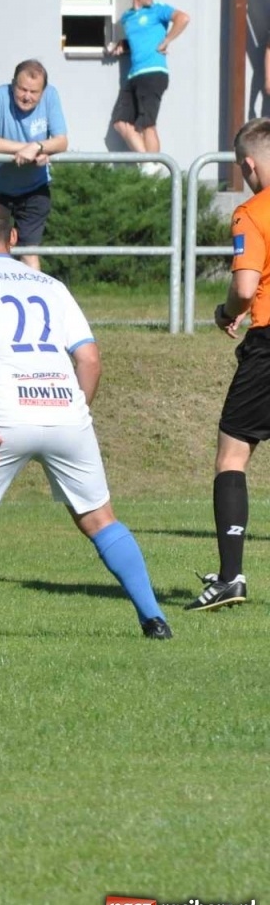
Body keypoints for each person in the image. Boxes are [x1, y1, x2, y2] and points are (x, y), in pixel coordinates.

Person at [0, 202, 169, 641]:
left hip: (4, 412)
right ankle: (154, 619)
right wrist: (76, 410)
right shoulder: (51, 285)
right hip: (65, 405)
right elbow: (90, 358)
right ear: (15, 239)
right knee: (100, 519)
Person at [185, 117, 270, 614]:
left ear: (248, 165)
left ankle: (231, 577)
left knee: (232, 455)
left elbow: (243, 288)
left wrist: (226, 314)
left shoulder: (251, 212)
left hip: (267, 344)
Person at [0, 60, 67, 272]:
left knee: (29, 252)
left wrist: (40, 147)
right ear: (13, 83)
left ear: (43, 91)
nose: (27, 96)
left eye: (34, 92)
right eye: (22, 89)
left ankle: (32, 300)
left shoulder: (51, 96)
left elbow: (61, 141)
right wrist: (30, 149)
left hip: (33, 187)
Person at [106, 0, 188, 165]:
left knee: (147, 125)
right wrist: (123, 44)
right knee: (121, 122)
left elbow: (183, 18)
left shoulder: (158, 9)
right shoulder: (127, 17)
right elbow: (138, 39)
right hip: (134, 74)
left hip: (153, 73)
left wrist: (167, 40)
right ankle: (149, 166)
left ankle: (152, 168)